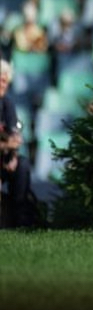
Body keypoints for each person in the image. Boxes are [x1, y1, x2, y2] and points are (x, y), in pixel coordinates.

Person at [0, 59, 37, 227]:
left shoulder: (7, 103)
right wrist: (8, 145)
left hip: (4, 160)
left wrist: (13, 154)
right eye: (1, 79)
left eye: (6, 81)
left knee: (22, 164)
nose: (4, 84)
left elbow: (15, 135)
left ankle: (20, 217)